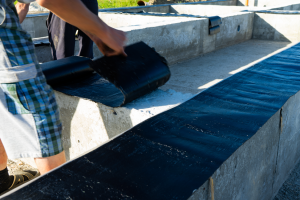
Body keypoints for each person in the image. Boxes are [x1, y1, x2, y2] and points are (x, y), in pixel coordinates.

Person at [0, 0, 126, 194]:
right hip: (7, 56)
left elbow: (22, 5)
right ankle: (58, 193)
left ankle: (1, 181)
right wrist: (104, 32)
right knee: (43, 126)